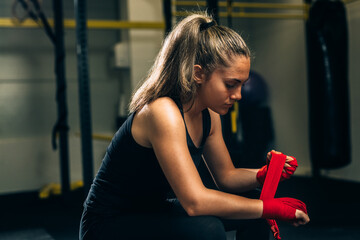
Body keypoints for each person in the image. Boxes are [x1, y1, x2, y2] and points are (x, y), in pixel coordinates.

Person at [79, 12, 310, 240]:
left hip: (153, 211)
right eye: (231, 84)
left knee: (252, 207)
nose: (238, 95)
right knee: (207, 229)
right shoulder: (163, 112)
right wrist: (271, 208)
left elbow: (226, 176)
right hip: (108, 224)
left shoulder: (209, 114)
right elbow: (194, 202)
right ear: (198, 73)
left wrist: (264, 174)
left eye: (242, 85)